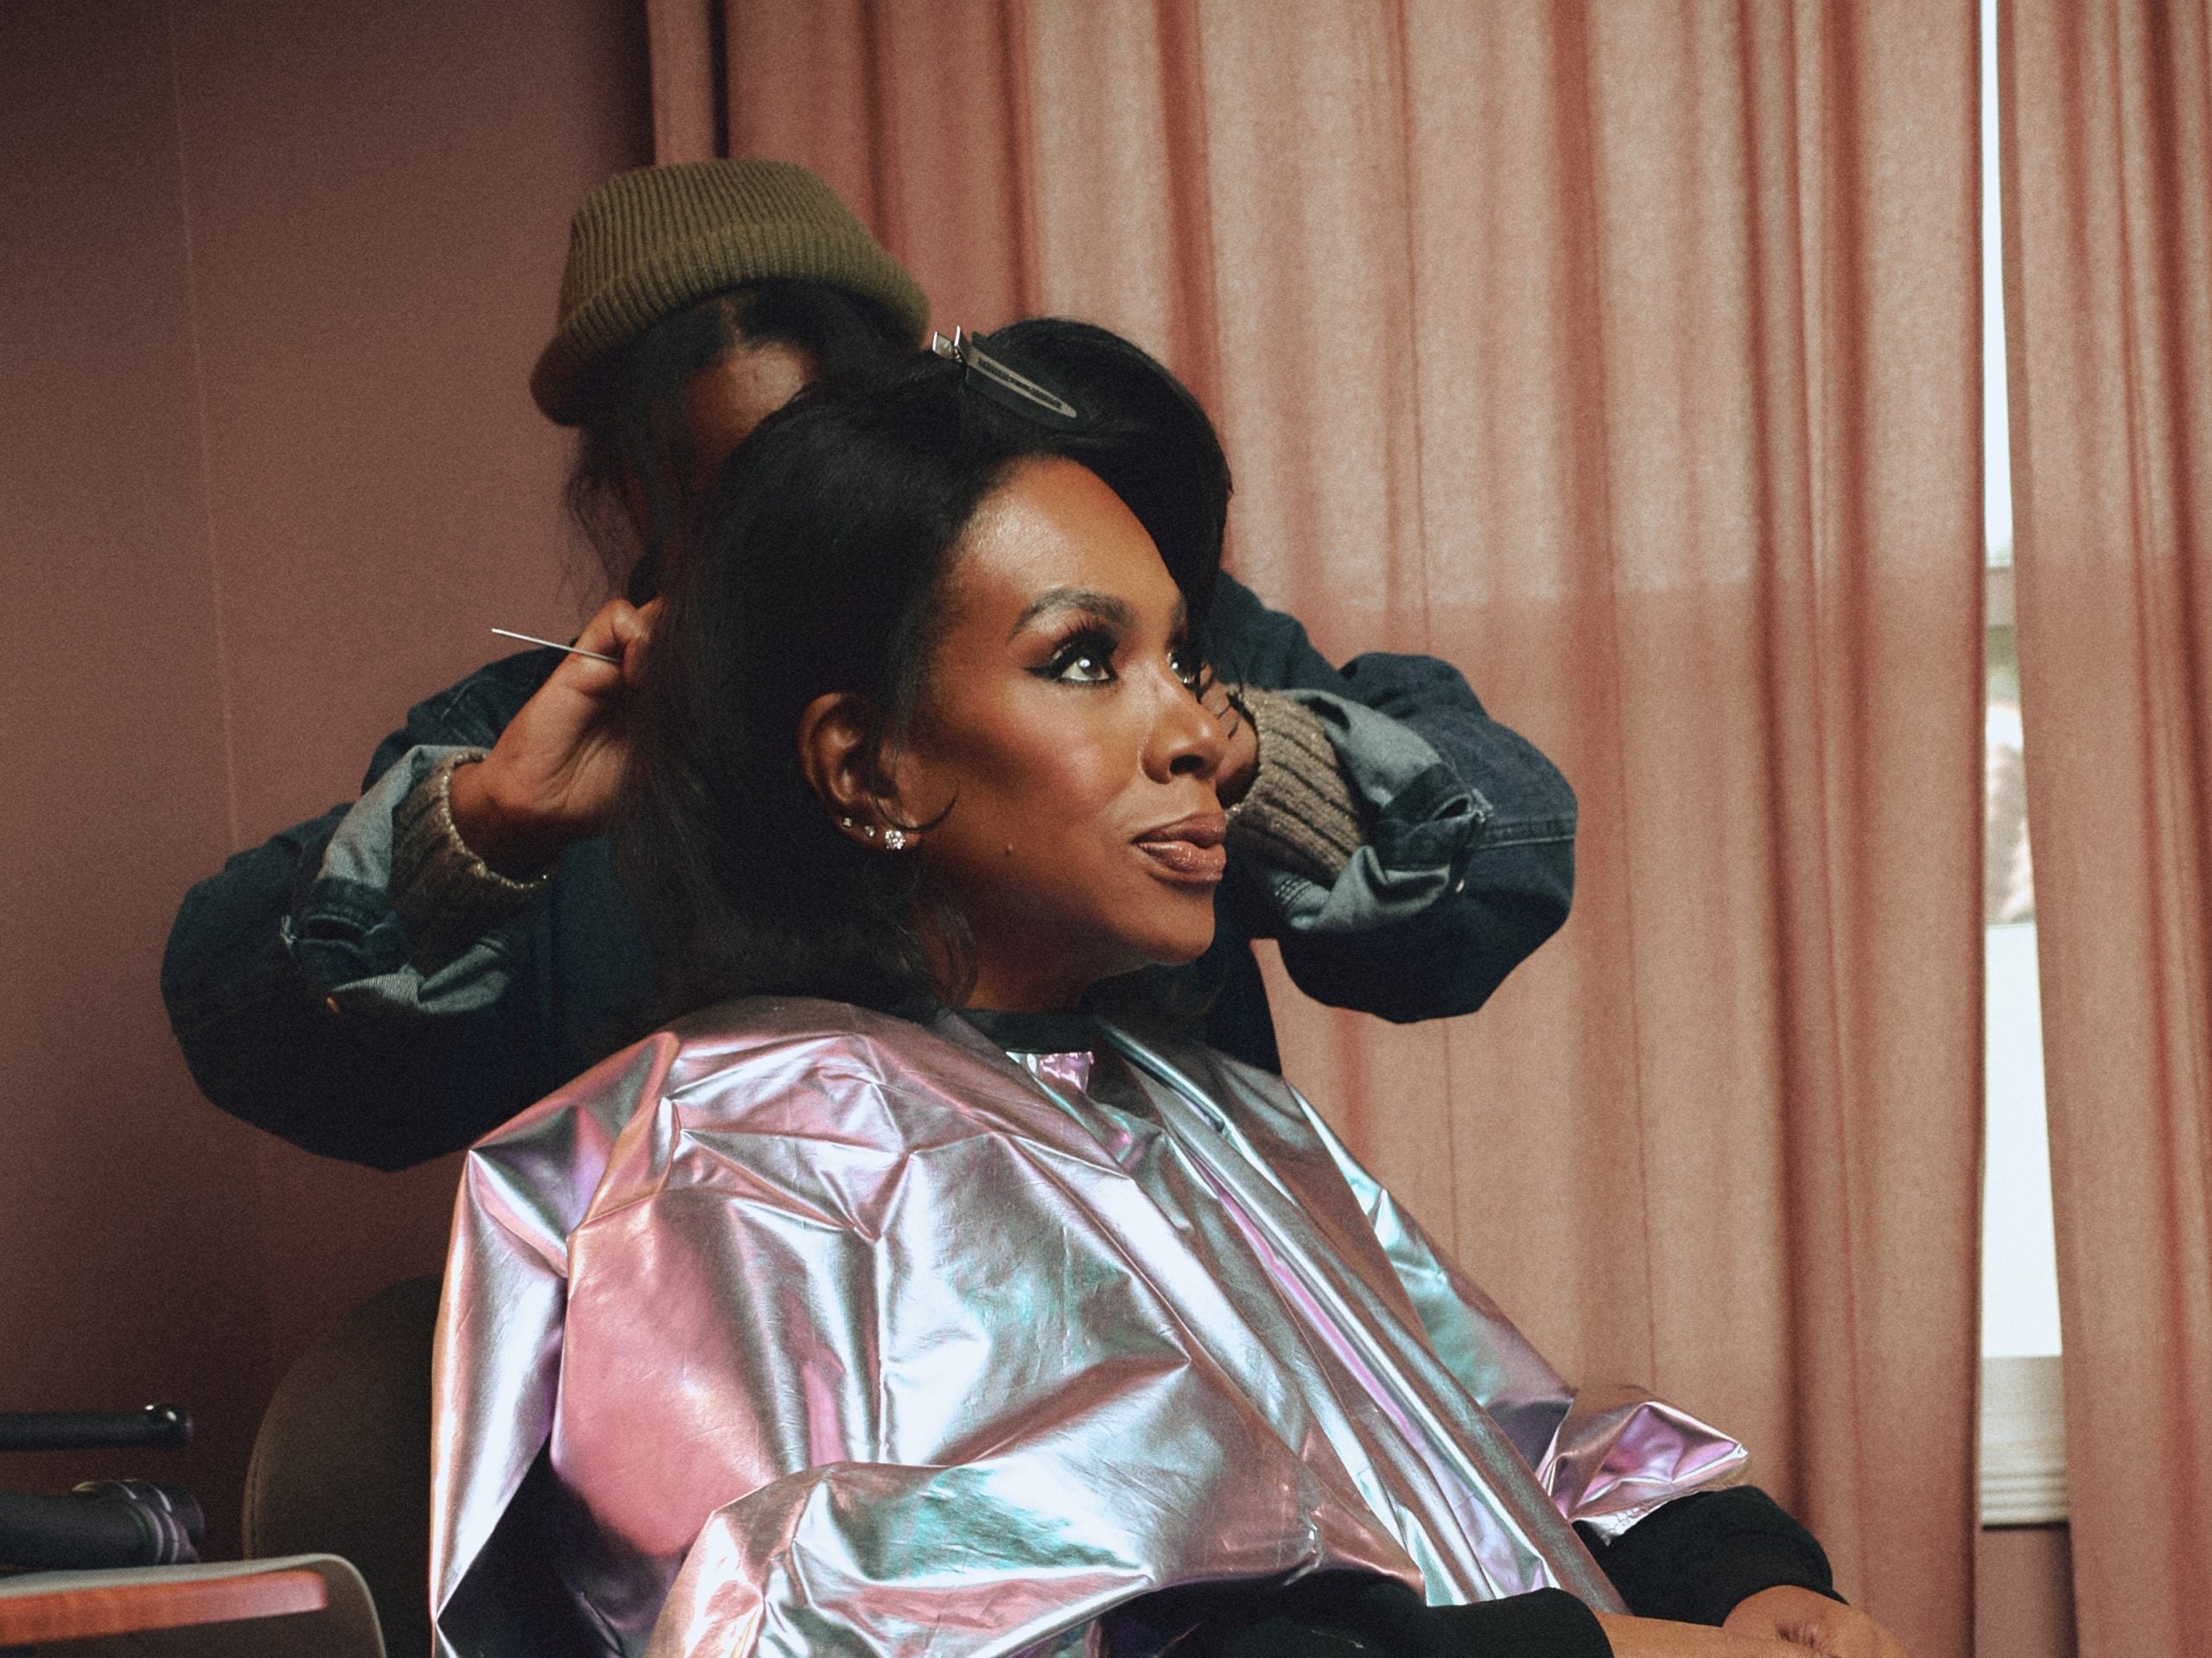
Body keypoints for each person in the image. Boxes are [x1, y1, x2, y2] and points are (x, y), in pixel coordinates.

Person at [431, 323, 1904, 1658]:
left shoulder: (1215, 1119)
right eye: (1085, 659)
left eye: (1184, 659)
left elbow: (1510, 1442)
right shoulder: (729, 1157)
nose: (1204, 731)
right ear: (868, 765)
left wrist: (1737, 1581)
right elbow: (828, 1628)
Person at [160, 160, 1578, 1171]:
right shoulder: (548, 741)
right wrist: (479, 840)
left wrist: (1212, 740)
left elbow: (1502, 856)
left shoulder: (1161, 660)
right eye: (742, 499)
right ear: (634, 504)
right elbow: (254, 1029)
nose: (810, 537)